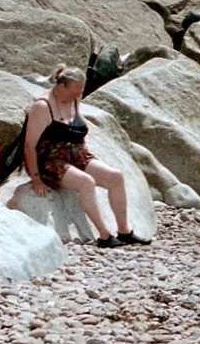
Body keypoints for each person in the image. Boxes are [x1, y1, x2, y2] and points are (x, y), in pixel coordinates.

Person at [14, 66, 139, 247]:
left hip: (78, 154)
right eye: (76, 91)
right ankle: (104, 236)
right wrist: (36, 180)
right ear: (61, 87)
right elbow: (29, 146)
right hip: (50, 161)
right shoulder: (42, 107)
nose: (78, 95)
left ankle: (124, 231)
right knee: (86, 182)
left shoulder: (74, 99)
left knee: (116, 177)